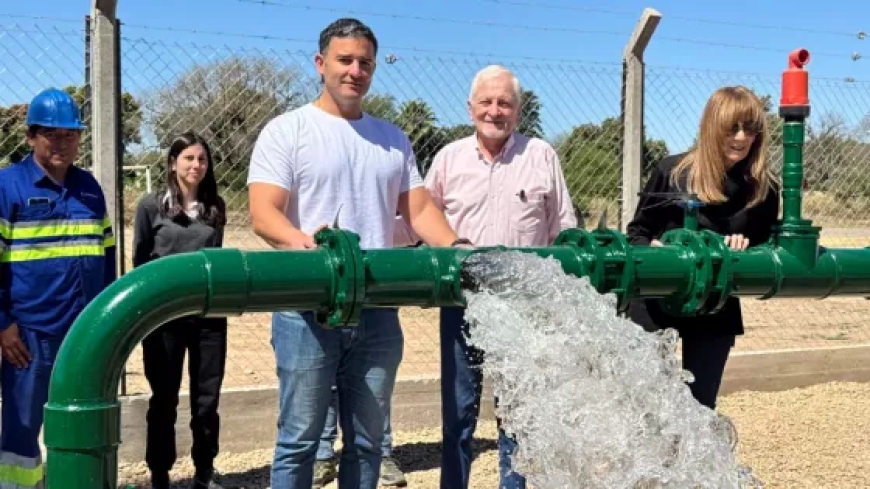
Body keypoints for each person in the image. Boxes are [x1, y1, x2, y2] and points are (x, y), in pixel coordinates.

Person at [246, 17, 468, 489]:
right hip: (307, 304)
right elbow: (265, 212)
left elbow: (419, 208)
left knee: (368, 442)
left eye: (364, 62)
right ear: (320, 63)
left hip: (376, 308)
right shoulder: (288, 130)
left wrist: (457, 248)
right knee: (300, 440)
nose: (355, 70)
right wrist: (300, 242)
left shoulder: (392, 138)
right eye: (345, 60)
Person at [422, 65, 577, 489]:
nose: (495, 111)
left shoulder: (541, 155)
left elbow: (562, 228)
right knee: (457, 415)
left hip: (524, 305)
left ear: (518, 110)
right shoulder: (448, 159)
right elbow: (421, 217)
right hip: (462, 303)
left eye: (504, 103)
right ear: (471, 107)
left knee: (519, 415)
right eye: (486, 102)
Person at [625, 85, 781, 410]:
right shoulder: (672, 172)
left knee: (700, 408)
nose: (741, 137)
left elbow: (768, 248)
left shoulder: (762, 189)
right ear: (712, 127)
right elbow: (637, 233)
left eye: (750, 128)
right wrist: (654, 251)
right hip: (656, 301)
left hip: (716, 305)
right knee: (647, 405)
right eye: (732, 128)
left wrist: (747, 249)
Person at [0, 88, 116, 488]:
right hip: (30, 335)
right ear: (31, 136)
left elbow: (108, 256)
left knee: (82, 416)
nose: (62, 143)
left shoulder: (89, 188)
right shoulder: (8, 187)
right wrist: (3, 324)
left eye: (70, 135)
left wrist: (107, 321)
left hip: (82, 331)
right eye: (52, 134)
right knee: (22, 425)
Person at [132, 132, 228, 489]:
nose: (196, 166)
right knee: (164, 399)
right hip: (164, 319)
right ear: (173, 162)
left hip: (207, 317)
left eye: (201, 159)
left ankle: (205, 469)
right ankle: (160, 472)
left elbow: (216, 259)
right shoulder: (150, 206)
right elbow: (140, 262)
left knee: (206, 401)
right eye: (188, 158)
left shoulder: (215, 207)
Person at [313, 214, 414, 489]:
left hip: (374, 279)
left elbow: (413, 219)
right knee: (325, 382)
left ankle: (381, 454)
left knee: (373, 387)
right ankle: (322, 455)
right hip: (325, 273)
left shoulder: (395, 171)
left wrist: (384, 235)